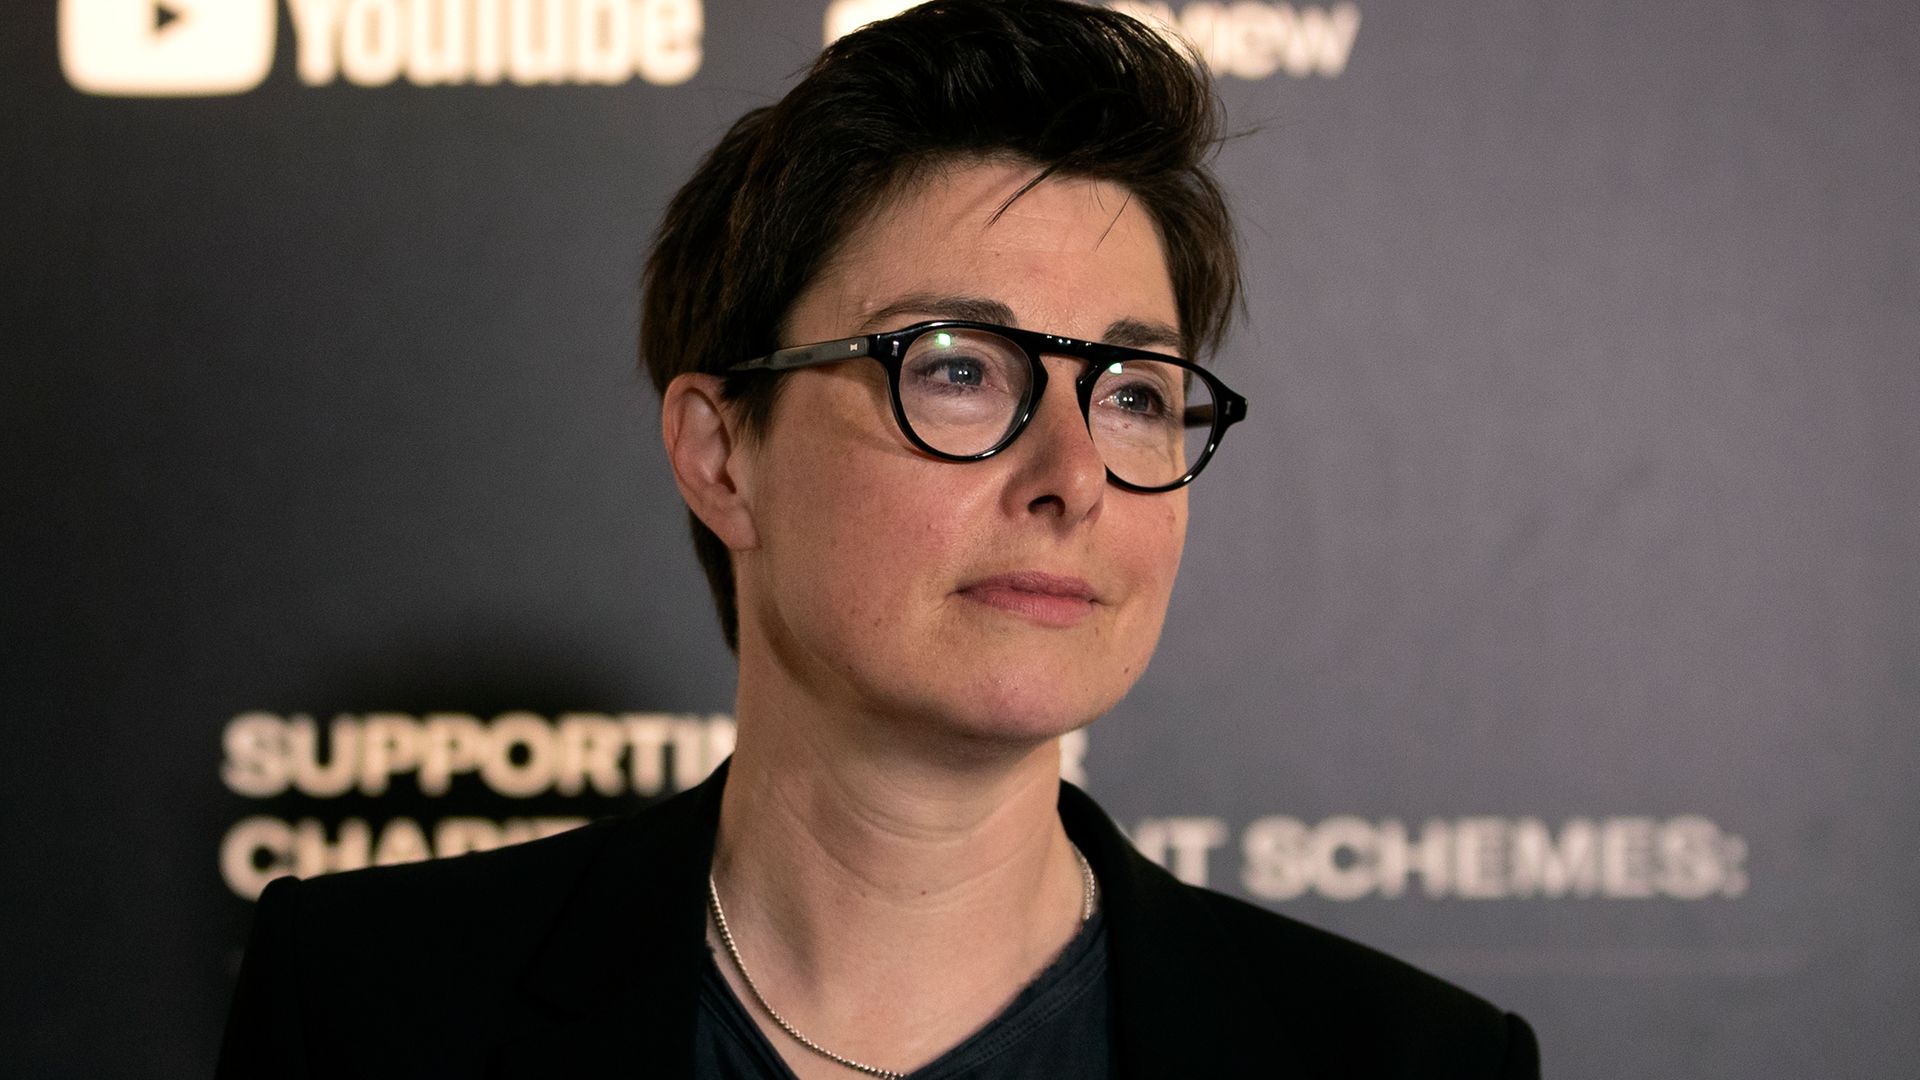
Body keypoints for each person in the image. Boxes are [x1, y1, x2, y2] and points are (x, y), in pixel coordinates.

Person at [218, 2, 1540, 1077]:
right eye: (959, 368)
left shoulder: (1410, 1064)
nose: (1072, 474)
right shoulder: (372, 1004)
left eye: (1134, 393)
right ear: (724, 455)